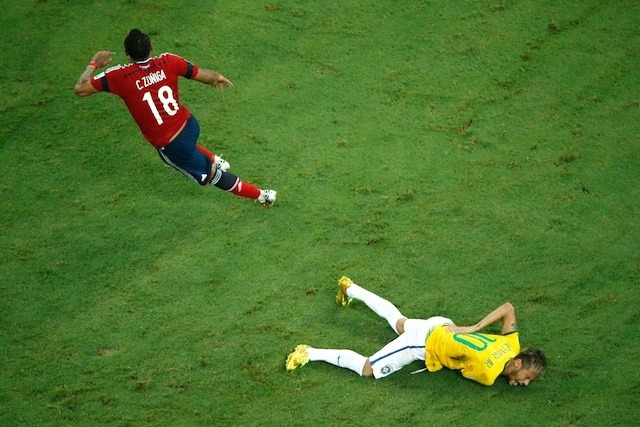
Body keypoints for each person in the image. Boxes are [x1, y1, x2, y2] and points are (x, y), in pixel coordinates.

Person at [74, 29, 276, 207]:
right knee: (187, 144)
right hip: (189, 125)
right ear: (151, 48)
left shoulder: (117, 76)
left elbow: (80, 89)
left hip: (172, 144)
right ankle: (214, 159)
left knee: (212, 177)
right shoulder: (169, 60)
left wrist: (94, 63)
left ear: (127, 53)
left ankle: (262, 195)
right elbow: (205, 75)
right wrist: (217, 77)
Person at [286, 277, 547, 387]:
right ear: (518, 362)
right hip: (422, 343)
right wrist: (506, 375)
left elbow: (508, 308)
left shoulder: (512, 344)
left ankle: (350, 288)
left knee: (399, 320)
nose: (524, 382)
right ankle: (309, 352)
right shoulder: (489, 375)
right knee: (367, 368)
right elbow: (466, 368)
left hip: (441, 324)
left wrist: (475, 327)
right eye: (525, 376)